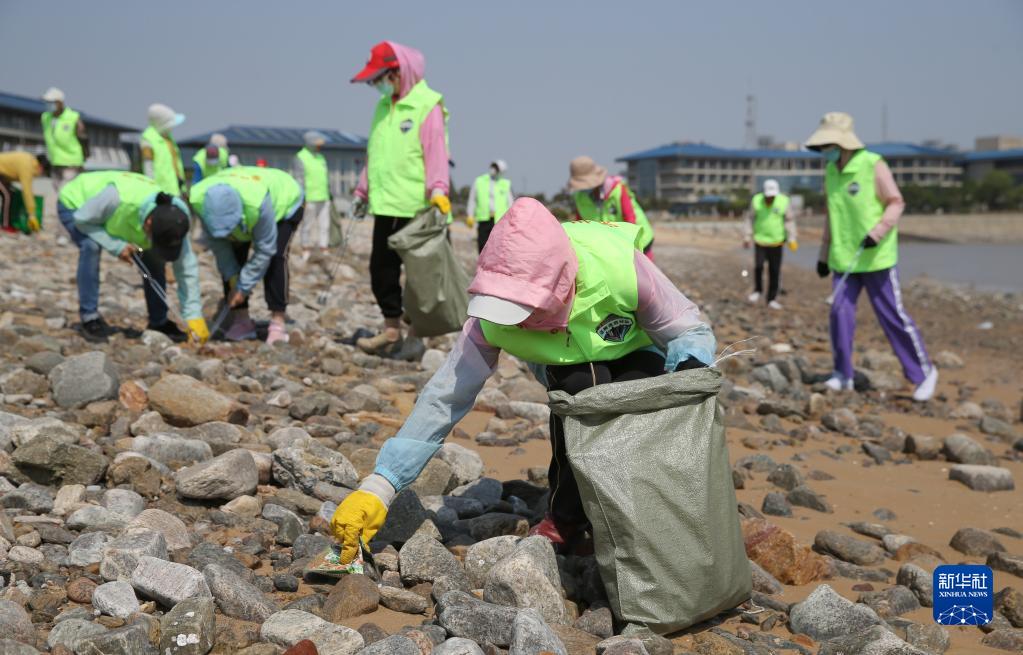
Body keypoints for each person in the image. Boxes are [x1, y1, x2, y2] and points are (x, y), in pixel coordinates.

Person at [328, 198, 716, 563]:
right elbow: (445, 396)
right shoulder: (490, 320)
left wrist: (685, 377)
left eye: (526, 308)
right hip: (567, 365)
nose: (517, 320)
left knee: (636, 396)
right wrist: (380, 485)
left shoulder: (617, 266)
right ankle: (566, 518)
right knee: (581, 390)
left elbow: (689, 331)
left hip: (638, 351)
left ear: (564, 282)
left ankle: (647, 516)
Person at [806, 112, 937, 401]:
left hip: (876, 257)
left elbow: (895, 202)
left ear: (844, 142)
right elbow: (832, 215)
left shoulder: (873, 165)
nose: (826, 151)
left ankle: (923, 373)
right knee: (839, 315)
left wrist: (877, 232)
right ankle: (843, 374)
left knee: (891, 316)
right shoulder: (830, 172)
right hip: (844, 259)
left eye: (830, 144)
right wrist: (823, 254)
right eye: (823, 145)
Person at [350, 40, 451, 359]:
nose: (376, 84)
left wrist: (439, 191)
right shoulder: (384, 107)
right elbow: (375, 154)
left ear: (398, 72)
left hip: (419, 206)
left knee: (421, 277)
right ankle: (391, 328)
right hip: (386, 205)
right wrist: (362, 190)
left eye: (379, 77)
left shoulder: (426, 104)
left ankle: (415, 336)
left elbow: (436, 151)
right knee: (381, 270)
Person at [57, 171, 207, 344]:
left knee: (154, 258)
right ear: (149, 224)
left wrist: (194, 316)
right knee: (90, 247)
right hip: (77, 205)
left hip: (113, 216)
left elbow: (186, 267)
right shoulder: (117, 199)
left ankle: (158, 322)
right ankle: (89, 317)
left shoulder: (176, 219)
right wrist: (117, 246)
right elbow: (82, 220)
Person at [189, 166, 304, 345]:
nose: (228, 235)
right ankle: (241, 320)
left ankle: (277, 322)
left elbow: (265, 249)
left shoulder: (256, 203)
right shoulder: (200, 201)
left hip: (285, 201)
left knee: (276, 257)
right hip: (246, 203)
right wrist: (234, 280)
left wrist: (243, 287)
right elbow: (221, 250)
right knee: (232, 258)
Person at [569, 156, 655, 259]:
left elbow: (630, 219)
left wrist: (630, 246)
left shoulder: (617, 189)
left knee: (643, 272)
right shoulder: (580, 197)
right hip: (613, 243)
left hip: (639, 237)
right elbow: (580, 225)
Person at [743, 179, 798, 309]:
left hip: (777, 242)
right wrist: (747, 236)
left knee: (775, 270)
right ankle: (757, 291)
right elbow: (749, 218)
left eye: (773, 196)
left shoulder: (784, 201)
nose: (770, 198)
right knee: (758, 266)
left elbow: (789, 220)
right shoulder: (756, 200)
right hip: (760, 240)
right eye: (768, 196)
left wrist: (792, 238)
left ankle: (771, 298)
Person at [40, 87, 88, 195]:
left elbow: (84, 138)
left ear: (60, 103)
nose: (48, 104)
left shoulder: (73, 117)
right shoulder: (45, 118)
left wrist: (85, 155)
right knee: (57, 191)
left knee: (66, 192)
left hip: (71, 162)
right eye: (47, 102)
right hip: (55, 161)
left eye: (51, 102)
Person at [294, 130, 332, 261]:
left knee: (325, 224)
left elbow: (326, 177)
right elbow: (299, 179)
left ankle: (324, 247)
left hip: (324, 196)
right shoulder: (301, 157)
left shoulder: (321, 157)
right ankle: (306, 248)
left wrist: (329, 193)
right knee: (307, 224)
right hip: (309, 197)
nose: (320, 146)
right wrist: (301, 198)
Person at [467, 159, 514, 252]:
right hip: (484, 220)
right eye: (493, 166)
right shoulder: (479, 181)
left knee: (497, 248)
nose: (494, 169)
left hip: (499, 221)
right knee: (482, 245)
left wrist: (511, 220)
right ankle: (482, 266)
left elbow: (510, 203)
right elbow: (472, 200)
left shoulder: (505, 184)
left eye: (497, 168)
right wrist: (470, 215)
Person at [141, 103, 186, 196]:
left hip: (176, 187)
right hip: (161, 192)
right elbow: (148, 167)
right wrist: (152, 190)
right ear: (163, 124)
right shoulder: (148, 139)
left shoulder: (168, 137)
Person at [0, 151, 50, 233]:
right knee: (7, 195)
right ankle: (6, 226)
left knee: (10, 193)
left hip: (2, 175)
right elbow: (27, 191)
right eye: (43, 173)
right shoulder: (27, 166)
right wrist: (32, 214)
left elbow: (8, 173)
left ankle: (8, 222)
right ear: (41, 167)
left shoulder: (30, 161)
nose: (41, 175)